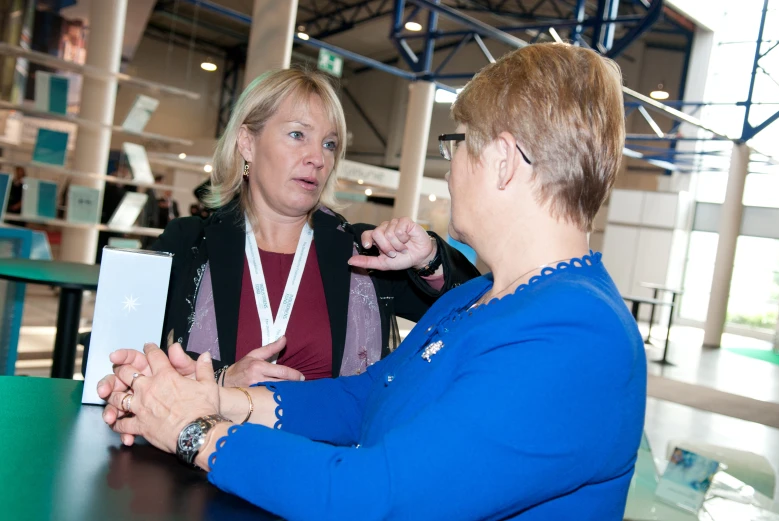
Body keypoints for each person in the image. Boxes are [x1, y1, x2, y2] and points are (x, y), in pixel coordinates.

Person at [100, 44, 646, 520]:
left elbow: (376, 498)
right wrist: (218, 395)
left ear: (502, 160)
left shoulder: (573, 336)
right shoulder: (475, 301)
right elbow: (365, 398)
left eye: (458, 145)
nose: (450, 168)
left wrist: (193, 429)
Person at [95, 67, 477, 386]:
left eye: (329, 144)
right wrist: (222, 380)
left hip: (326, 465)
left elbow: (477, 314)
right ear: (247, 142)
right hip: (202, 461)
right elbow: (114, 362)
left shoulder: (363, 253)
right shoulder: (189, 244)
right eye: (298, 135)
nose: (317, 158)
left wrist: (429, 260)